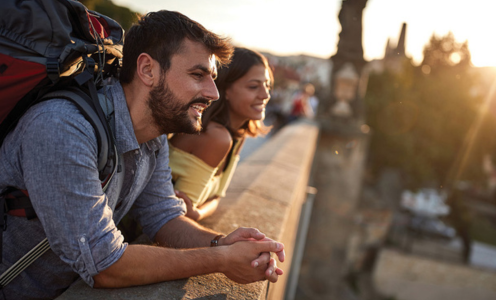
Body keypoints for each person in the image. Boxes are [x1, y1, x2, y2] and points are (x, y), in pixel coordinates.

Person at [0, 11, 285, 300]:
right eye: (197, 75)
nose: (213, 93)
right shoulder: (63, 127)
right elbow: (105, 265)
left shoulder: (154, 135)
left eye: (212, 78)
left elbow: (162, 216)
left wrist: (222, 243)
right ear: (148, 70)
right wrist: (221, 260)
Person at [168, 47, 272, 221]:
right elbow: (178, 219)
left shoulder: (237, 136)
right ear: (226, 90)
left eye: (267, 85)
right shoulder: (216, 137)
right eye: (254, 86)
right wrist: (195, 213)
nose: (265, 94)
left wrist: (199, 213)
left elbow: (216, 198)